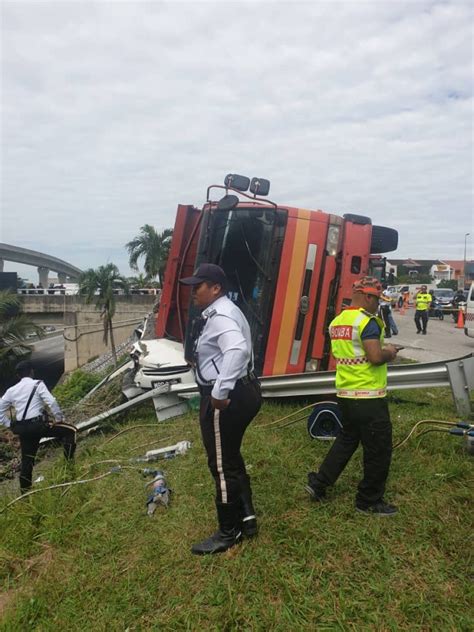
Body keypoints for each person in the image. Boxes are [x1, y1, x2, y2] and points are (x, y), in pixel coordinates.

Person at [179, 263, 262, 555]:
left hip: (228, 397)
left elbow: (236, 349)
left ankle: (229, 531)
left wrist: (219, 391)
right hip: (245, 390)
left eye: (198, 286)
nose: (193, 292)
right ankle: (247, 518)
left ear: (215, 288)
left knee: (221, 464)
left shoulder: (220, 315)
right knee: (230, 455)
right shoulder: (225, 310)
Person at [305, 276, 400, 516]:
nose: (378, 305)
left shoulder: (338, 321)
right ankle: (368, 501)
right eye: (377, 299)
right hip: (369, 395)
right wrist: (390, 352)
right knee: (379, 449)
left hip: (346, 393)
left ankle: (319, 484)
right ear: (368, 296)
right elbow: (375, 357)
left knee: (347, 440)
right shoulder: (368, 322)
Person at [0, 361, 76, 493]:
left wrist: (9, 425)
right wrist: (58, 419)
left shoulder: (11, 391)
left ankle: (25, 494)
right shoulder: (38, 384)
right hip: (39, 425)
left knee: (27, 461)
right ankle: (69, 469)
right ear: (31, 372)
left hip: (24, 429)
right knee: (70, 431)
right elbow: (51, 401)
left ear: (18, 376)